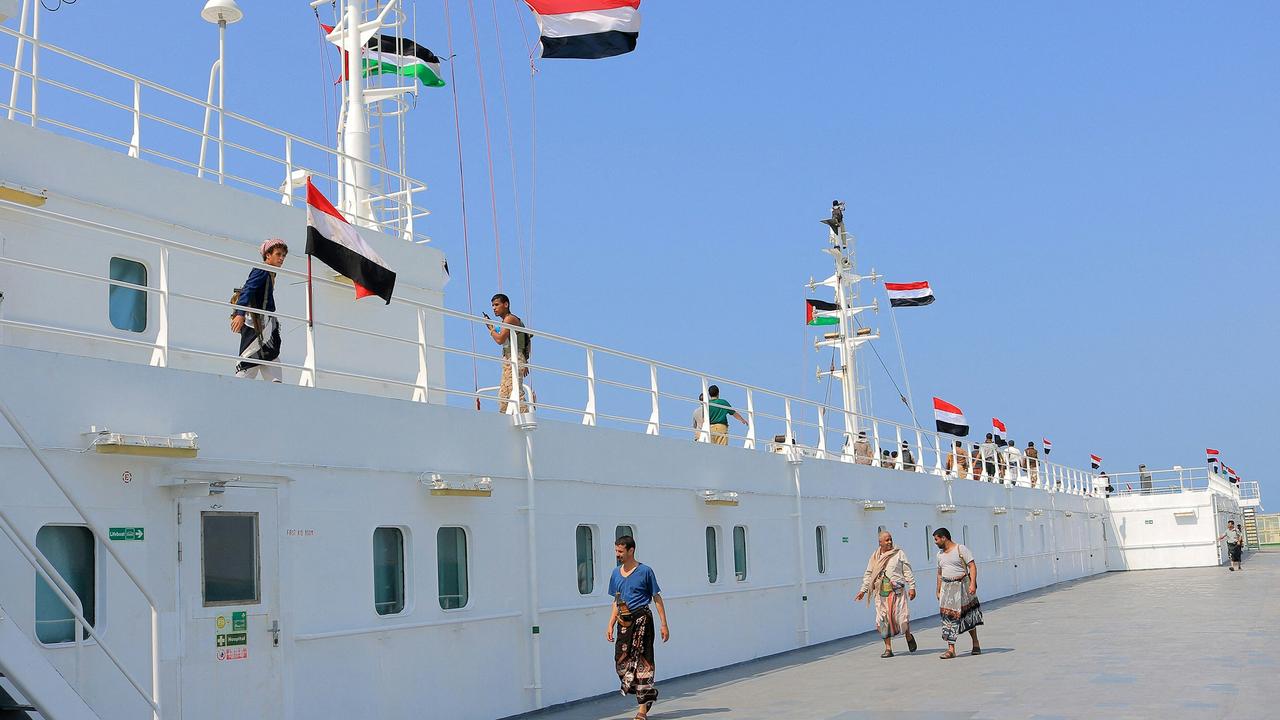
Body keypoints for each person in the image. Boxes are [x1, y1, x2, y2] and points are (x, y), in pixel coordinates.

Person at [606, 535, 669, 719]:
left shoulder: (646, 571)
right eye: (616, 551)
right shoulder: (615, 573)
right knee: (621, 662)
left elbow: (656, 597)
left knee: (644, 662)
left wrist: (664, 624)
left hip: (643, 620)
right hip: (623, 623)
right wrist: (610, 624)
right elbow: (616, 601)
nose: (617, 554)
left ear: (631, 550)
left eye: (620, 551)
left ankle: (642, 708)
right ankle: (646, 696)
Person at [232, 238, 288, 382]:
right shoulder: (261, 270)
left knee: (271, 356)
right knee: (248, 360)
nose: (282, 258)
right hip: (256, 326)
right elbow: (248, 290)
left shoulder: (270, 272)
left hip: (266, 325)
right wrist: (240, 314)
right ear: (268, 255)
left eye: (283, 255)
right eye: (278, 254)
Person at [855, 531, 917, 657]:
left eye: (890, 539)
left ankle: (908, 636)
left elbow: (907, 571)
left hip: (897, 593)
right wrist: (863, 590)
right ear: (880, 543)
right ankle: (888, 648)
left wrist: (912, 587)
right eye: (887, 540)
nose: (889, 542)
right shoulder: (875, 557)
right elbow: (869, 574)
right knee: (882, 620)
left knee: (902, 619)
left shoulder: (899, 553)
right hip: (881, 594)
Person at [934, 527, 983, 659]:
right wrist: (938, 589)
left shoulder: (961, 549)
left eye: (936, 539)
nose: (935, 542)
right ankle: (951, 649)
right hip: (947, 588)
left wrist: (972, 583)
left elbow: (972, 566)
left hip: (962, 586)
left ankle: (975, 642)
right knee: (948, 618)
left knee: (968, 615)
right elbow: (939, 573)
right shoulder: (939, 555)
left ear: (944, 538)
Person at [485, 293, 530, 414]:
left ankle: (525, 415)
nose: (494, 308)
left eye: (496, 305)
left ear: (506, 304)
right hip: (509, 359)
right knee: (504, 394)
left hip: (515, 358)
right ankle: (506, 416)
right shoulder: (505, 321)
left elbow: (499, 340)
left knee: (514, 390)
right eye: (493, 306)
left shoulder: (510, 319)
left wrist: (491, 329)